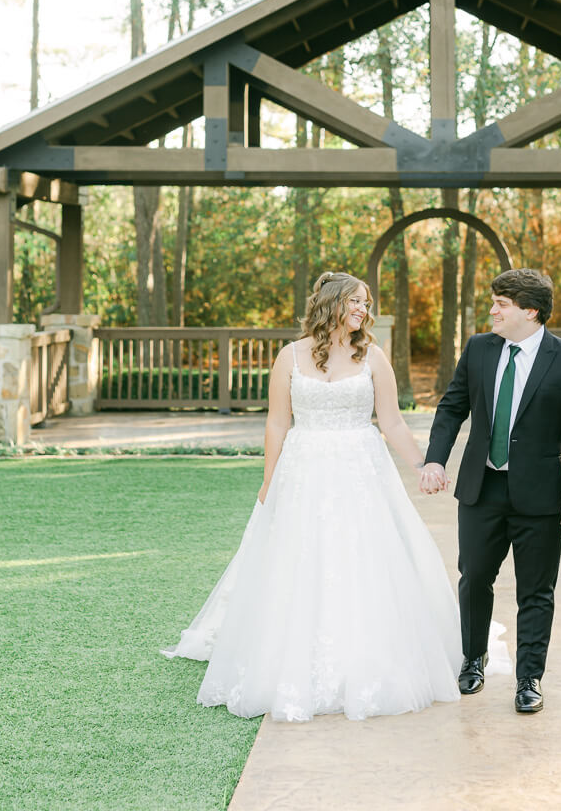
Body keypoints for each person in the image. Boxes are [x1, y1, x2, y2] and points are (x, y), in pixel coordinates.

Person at [162, 271, 462, 722]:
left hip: (361, 468)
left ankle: (367, 653)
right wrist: (269, 479)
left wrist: (422, 465)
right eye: (356, 302)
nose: (364, 310)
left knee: (363, 558)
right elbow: (277, 423)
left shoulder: (374, 356)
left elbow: (392, 422)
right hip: (303, 470)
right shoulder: (290, 356)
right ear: (332, 304)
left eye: (366, 303)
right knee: (300, 558)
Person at [420, 268, 561, 713]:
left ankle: (529, 679)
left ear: (530, 310)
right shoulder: (480, 349)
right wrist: (435, 459)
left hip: (541, 496)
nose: (493, 310)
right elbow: (452, 406)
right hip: (481, 489)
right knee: (475, 577)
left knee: (536, 591)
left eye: (502, 303)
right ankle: (472, 658)